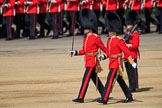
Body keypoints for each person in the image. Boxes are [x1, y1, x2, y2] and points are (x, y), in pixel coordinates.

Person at [97, 12, 136, 104]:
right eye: (109, 30)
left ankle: (104, 98)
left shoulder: (119, 40)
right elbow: (108, 52)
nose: (109, 32)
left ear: (115, 30)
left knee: (109, 80)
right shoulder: (109, 40)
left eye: (110, 30)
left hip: (117, 64)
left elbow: (126, 52)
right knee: (120, 80)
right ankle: (129, 96)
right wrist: (103, 56)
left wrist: (132, 62)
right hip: (112, 62)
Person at [70, 8, 108, 103]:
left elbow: (105, 49)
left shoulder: (96, 38)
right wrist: (76, 52)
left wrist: (104, 56)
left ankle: (81, 97)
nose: (84, 29)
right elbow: (85, 51)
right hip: (87, 61)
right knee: (96, 80)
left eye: (85, 27)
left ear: (90, 27)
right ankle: (104, 94)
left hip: (92, 62)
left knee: (85, 79)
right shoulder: (85, 38)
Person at [124, 10, 140, 92]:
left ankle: (134, 86)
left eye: (129, 24)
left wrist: (127, 46)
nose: (128, 26)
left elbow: (135, 45)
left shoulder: (135, 33)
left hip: (132, 55)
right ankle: (131, 85)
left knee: (133, 72)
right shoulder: (127, 33)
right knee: (129, 72)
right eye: (127, 24)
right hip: (127, 55)